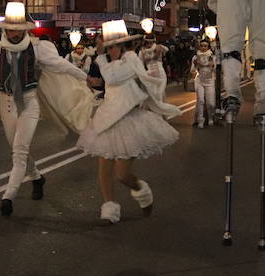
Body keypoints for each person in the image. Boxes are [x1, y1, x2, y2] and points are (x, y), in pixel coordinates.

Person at [0, 2, 92, 217]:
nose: (12, 33)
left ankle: (7, 197)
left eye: (16, 29)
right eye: (9, 29)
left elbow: (61, 65)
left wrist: (87, 78)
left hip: (29, 104)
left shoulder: (38, 48)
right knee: (18, 150)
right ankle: (37, 177)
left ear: (24, 30)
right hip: (6, 104)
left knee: (19, 153)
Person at [77, 21, 181, 223]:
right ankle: (109, 209)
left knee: (122, 175)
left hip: (129, 120)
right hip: (107, 118)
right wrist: (94, 83)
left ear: (123, 45)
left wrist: (99, 56)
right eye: (108, 48)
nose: (110, 51)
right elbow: (108, 84)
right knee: (104, 169)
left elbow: (114, 77)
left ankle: (142, 191)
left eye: (112, 47)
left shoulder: (131, 59)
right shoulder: (111, 62)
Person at [190, 39, 216, 128]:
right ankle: (200, 120)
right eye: (202, 46)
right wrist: (196, 65)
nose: (203, 48)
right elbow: (192, 70)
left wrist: (212, 65)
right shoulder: (196, 57)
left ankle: (211, 118)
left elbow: (217, 69)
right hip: (200, 80)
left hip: (210, 81)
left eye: (205, 46)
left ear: (208, 47)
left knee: (210, 103)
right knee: (200, 101)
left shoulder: (212, 56)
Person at [138, 34, 168, 100]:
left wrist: (159, 48)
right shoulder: (142, 52)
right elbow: (140, 65)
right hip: (150, 75)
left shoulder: (158, 47)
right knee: (153, 96)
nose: (149, 44)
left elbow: (166, 49)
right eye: (147, 43)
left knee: (160, 94)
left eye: (151, 42)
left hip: (160, 73)